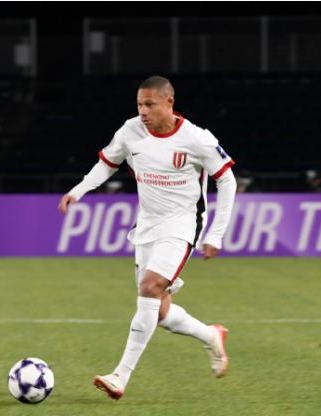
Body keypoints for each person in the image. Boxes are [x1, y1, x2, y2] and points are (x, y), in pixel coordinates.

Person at [58, 75, 237, 400]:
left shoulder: (197, 139)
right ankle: (211, 335)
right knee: (160, 311)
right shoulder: (131, 131)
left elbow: (227, 180)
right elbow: (107, 163)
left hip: (183, 224)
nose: (143, 111)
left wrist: (217, 233)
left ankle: (120, 376)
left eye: (150, 104)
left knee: (150, 287)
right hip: (147, 226)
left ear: (169, 103)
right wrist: (78, 191)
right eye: (140, 104)